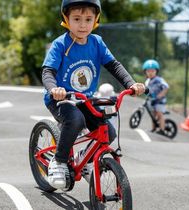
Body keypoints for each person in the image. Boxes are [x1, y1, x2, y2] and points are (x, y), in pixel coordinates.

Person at [42, 0, 145, 189]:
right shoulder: (60, 44)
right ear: (66, 19)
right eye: (77, 19)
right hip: (61, 99)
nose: (83, 25)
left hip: (85, 99)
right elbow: (48, 72)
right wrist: (53, 89)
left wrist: (131, 84)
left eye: (88, 19)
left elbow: (114, 65)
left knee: (108, 133)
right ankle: (58, 161)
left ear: (96, 19)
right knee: (75, 120)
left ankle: (86, 161)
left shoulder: (96, 42)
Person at [142, 59, 169, 135]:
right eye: (148, 71)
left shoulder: (159, 80)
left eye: (152, 71)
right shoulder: (147, 81)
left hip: (160, 101)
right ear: (145, 72)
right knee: (153, 114)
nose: (150, 73)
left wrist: (160, 95)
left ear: (156, 71)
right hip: (152, 100)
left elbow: (166, 87)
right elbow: (147, 90)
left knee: (159, 114)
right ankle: (153, 128)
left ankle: (162, 129)